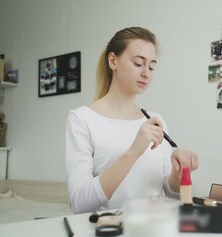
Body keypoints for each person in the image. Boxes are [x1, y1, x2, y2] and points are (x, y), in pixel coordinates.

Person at [65, 27, 199, 214]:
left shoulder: (155, 120)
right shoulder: (82, 119)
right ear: (113, 61)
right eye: (138, 64)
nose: (146, 73)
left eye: (151, 66)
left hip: (156, 227)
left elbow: (170, 191)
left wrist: (179, 172)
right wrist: (133, 151)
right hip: (111, 229)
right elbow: (79, 203)